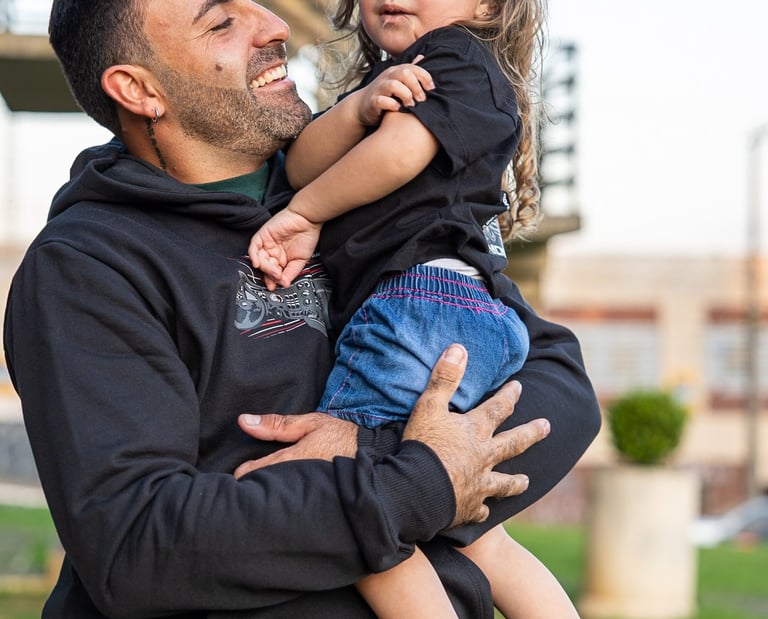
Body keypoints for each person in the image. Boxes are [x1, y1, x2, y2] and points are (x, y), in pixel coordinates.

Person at [2, 1, 601, 618]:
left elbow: (563, 389)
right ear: (138, 89)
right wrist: (416, 484)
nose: (275, 26)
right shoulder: (86, 267)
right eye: (220, 22)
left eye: (256, 3)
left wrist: (385, 453)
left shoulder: (362, 195)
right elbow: (136, 548)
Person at [247, 1, 573, 616]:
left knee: (360, 516)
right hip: (463, 314)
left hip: (418, 309)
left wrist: (304, 215)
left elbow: (399, 154)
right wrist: (356, 109)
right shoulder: (404, 76)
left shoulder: (454, 57)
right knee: (473, 536)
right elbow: (299, 164)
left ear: (486, 6)